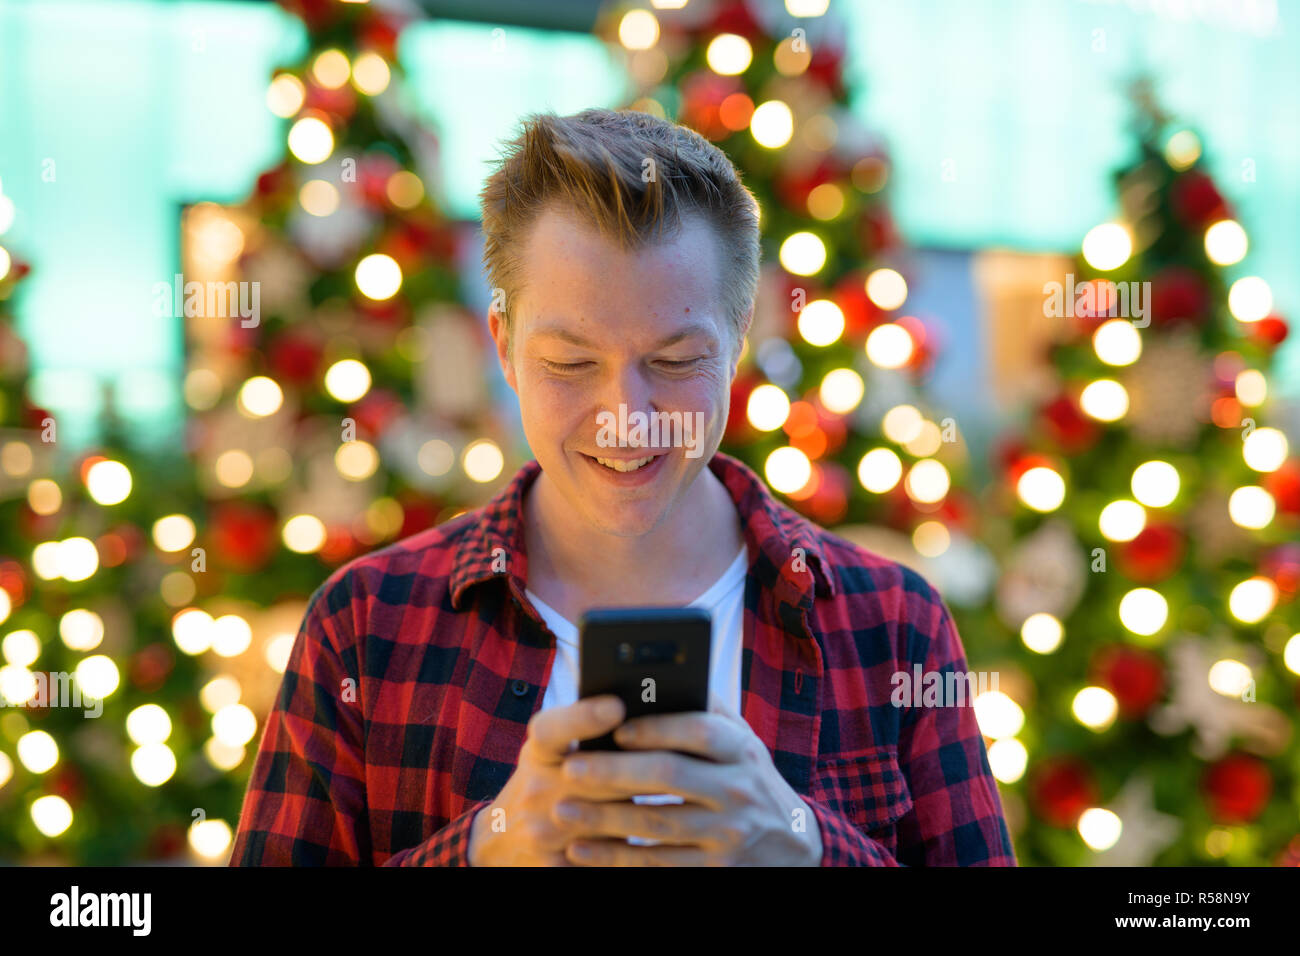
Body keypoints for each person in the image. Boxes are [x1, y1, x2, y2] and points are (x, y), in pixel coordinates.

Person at [229, 107, 1016, 867]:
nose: (627, 419)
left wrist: (803, 846)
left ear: (739, 344)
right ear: (503, 349)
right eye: (571, 364)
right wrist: (482, 852)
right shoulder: (366, 626)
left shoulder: (892, 625)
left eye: (675, 363)